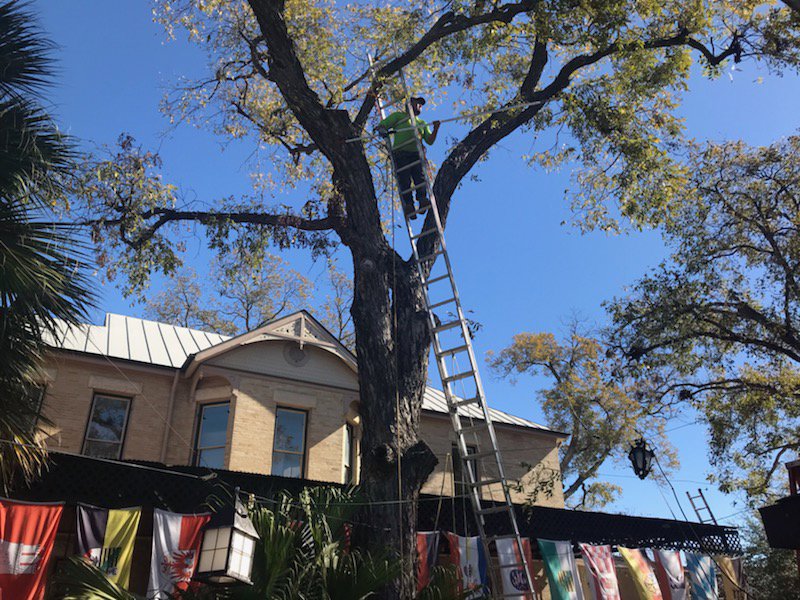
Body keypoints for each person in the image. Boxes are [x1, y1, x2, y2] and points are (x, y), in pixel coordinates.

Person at [378, 96, 441, 219]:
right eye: (417, 103)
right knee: (404, 179)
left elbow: (429, 140)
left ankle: (422, 200)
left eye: (421, 105)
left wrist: (436, 129)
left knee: (420, 177)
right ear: (410, 104)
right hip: (400, 153)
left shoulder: (421, 123)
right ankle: (409, 205)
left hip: (416, 154)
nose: (419, 106)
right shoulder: (399, 117)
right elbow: (383, 126)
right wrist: (382, 131)